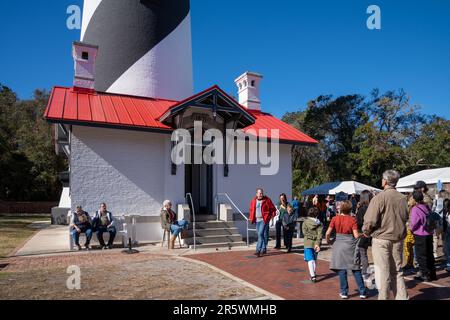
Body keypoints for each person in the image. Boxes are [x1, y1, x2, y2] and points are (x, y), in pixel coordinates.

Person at [363, 170, 409, 300]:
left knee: (382, 272)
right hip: (397, 239)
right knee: (397, 272)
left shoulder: (379, 198)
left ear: (385, 181)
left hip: (381, 239)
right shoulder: (403, 198)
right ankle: (402, 298)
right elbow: (406, 217)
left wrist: (366, 232)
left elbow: (370, 220)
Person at [326, 200, 367, 299]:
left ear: (341, 208)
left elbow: (327, 233)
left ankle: (344, 292)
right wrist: (363, 234)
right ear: (350, 209)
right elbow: (356, 235)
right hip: (350, 245)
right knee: (355, 268)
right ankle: (362, 291)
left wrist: (329, 241)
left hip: (339, 244)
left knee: (341, 269)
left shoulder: (335, 219)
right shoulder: (352, 220)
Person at [409, 190, 437, 281]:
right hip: (429, 232)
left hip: (420, 234)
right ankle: (432, 273)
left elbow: (414, 223)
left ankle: (424, 274)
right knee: (429, 254)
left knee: (421, 255)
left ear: (414, 198)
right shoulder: (426, 206)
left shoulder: (415, 209)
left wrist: (411, 229)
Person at [249, 188, 276, 257]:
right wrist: (251, 217)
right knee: (261, 234)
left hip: (264, 220)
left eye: (261, 193)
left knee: (260, 233)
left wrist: (270, 217)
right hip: (257, 220)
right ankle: (264, 248)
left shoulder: (267, 200)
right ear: (256, 194)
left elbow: (273, 208)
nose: (261, 194)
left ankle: (258, 250)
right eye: (259, 193)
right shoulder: (254, 200)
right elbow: (251, 209)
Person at [302, 207, 323, 283]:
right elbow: (320, 235)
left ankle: (313, 276)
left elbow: (304, 233)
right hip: (316, 244)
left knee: (310, 260)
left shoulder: (305, 222)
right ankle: (313, 273)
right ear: (317, 214)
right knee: (314, 259)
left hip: (307, 243)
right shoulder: (320, 223)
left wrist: (311, 237)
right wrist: (318, 243)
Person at [355, 190, 372, 279]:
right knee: (363, 251)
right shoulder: (372, 207)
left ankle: (364, 271)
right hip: (370, 232)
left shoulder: (362, 209)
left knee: (361, 251)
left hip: (362, 232)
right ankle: (364, 270)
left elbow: (358, 222)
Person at [404, 195, 417, 272]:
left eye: (409, 200)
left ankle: (413, 264)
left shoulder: (414, 208)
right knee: (407, 246)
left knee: (410, 246)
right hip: (409, 229)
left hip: (412, 230)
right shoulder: (410, 208)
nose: (408, 202)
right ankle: (409, 263)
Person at [432, 190, 446, 259]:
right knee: (444, 239)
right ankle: (444, 253)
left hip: (437, 223)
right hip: (444, 222)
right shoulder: (446, 201)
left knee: (435, 238)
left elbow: (432, 210)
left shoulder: (436, 200)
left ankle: (435, 253)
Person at [443, 198, 450, 273]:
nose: (445, 208)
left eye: (446, 207)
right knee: (447, 250)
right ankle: (448, 265)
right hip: (448, 232)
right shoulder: (447, 214)